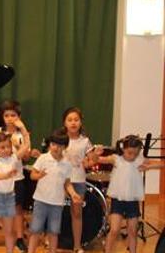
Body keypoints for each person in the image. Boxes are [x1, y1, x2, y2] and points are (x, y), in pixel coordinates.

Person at [99, 135, 164, 253]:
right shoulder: (116, 159)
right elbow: (97, 159)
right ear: (123, 148)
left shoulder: (139, 160)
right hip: (118, 200)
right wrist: (95, 153)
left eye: (136, 153)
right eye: (129, 153)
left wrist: (150, 166)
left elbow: (161, 164)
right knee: (114, 230)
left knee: (133, 231)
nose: (132, 156)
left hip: (132, 200)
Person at [27, 130, 83, 253]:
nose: (55, 148)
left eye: (59, 145)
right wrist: (39, 175)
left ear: (65, 147)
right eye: (53, 144)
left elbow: (67, 183)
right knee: (35, 229)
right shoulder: (43, 158)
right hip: (41, 200)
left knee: (54, 231)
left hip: (57, 203)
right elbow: (32, 175)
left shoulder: (67, 164)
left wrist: (73, 194)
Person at [0, 100, 33, 251]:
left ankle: (20, 238)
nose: (9, 118)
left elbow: (26, 157)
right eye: (6, 115)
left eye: (13, 115)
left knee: (17, 209)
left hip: (17, 178)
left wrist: (17, 146)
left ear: (19, 117)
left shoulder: (22, 134)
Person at [62, 107, 100, 253]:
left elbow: (91, 161)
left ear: (80, 122)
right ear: (64, 123)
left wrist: (95, 155)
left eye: (76, 120)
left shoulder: (85, 141)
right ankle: (50, 239)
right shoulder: (60, 138)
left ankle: (77, 245)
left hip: (78, 180)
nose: (73, 123)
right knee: (55, 211)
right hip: (60, 180)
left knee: (77, 213)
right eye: (70, 120)